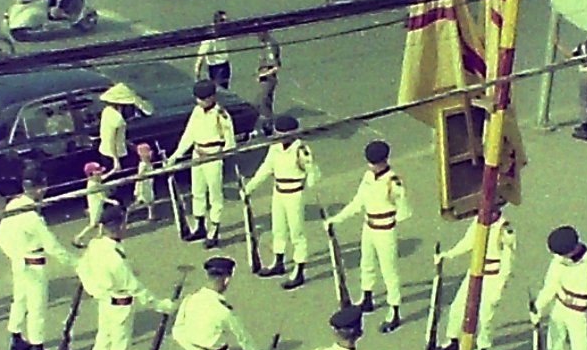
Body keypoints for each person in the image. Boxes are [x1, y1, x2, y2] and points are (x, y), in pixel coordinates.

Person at [76, 205, 173, 350]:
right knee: (120, 348)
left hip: (105, 300)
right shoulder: (115, 259)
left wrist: (96, 291)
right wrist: (161, 305)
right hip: (120, 304)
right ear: (121, 226)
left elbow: (82, 268)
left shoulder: (95, 245)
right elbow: (137, 289)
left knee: (103, 341)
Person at [326, 141, 411, 334]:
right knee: (367, 263)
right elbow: (358, 202)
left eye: (374, 163)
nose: (370, 166)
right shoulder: (368, 177)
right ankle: (367, 296)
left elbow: (404, 211)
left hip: (385, 229)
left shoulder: (393, 182)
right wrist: (336, 219)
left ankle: (394, 310)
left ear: (384, 161)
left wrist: (392, 219)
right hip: (369, 226)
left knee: (389, 271)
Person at [0, 168, 77, 350]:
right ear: (40, 188)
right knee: (37, 306)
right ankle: (38, 349)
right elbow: (53, 247)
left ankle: (15, 336)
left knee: (20, 300)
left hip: (19, 261)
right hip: (34, 263)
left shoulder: (13, 205)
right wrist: (77, 264)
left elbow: (1, 236)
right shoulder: (33, 218)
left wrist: (15, 256)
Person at [431, 207, 516, 350]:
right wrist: (448, 254)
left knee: (485, 314)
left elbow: (508, 260)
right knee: (458, 306)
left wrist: (500, 285)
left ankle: (482, 348)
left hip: (492, 275)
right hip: (475, 271)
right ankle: (452, 339)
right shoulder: (479, 221)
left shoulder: (504, 228)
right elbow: (468, 242)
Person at [243, 115, 320, 290]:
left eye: (280, 134)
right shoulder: (275, 148)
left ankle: (299, 270)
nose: (277, 136)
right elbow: (266, 168)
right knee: (278, 229)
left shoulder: (301, 149)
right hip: (278, 192)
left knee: (297, 233)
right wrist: (249, 188)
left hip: (294, 194)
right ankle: (278, 262)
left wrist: (311, 182)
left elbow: (313, 172)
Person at [167, 80, 235, 249]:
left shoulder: (221, 114)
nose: (200, 102)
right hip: (197, 154)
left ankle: (214, 231)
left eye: (203, 99)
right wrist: (176, 155)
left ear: (212, 97)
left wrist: (222, 155)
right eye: (198, 98)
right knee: (197, 192)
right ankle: (199, 226)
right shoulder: (197, 111)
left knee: (215, 196)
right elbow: (189, 134)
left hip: (213, 155)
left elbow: (230, 141)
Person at [98, 83, 153, 172]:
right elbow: (111, 140)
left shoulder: (106, 111)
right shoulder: (118, 119)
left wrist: (132, 146)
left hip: (104, 152)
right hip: (117, 155)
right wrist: (116, 161)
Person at [72, 162, 118, 248]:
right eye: (97, 171)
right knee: (93, 224)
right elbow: (101, 197)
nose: (100, 173)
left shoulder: (95, 180)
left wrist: (113, 171)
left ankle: (100, 234)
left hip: (99, 204)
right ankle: (78, 237)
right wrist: (112, 201)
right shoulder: (92, 184)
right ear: (91, 174)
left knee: (101, 219)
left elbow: (103, 178)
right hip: (95, 206)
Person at [195, 11, 231, 90]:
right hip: (216, 68)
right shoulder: (209, 36)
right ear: (216, 21)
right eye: (222, 20)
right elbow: (201, 55)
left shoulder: (224, 32)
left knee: (225, 89)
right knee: (218, 90)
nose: (225, 23)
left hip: (225, 65)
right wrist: (197, 72)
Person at [255, 30, 282, 136]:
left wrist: (263, 74)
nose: (257, 36)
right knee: (266, 102)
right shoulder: (264, 44)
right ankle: (268, 125)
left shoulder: (270, 46)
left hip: (268, 80)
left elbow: (276, 66)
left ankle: (268, 127)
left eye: (258, 33)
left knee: (264, 102)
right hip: (264, 78)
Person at [131, 143, 156, 222]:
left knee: (150, 202)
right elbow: (140, 176)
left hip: (148, 185)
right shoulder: (143, 165)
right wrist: (137, 189)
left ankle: (151, 215)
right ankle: (127, 212)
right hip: (144, 187)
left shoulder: (148, 164)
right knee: (145, 201)